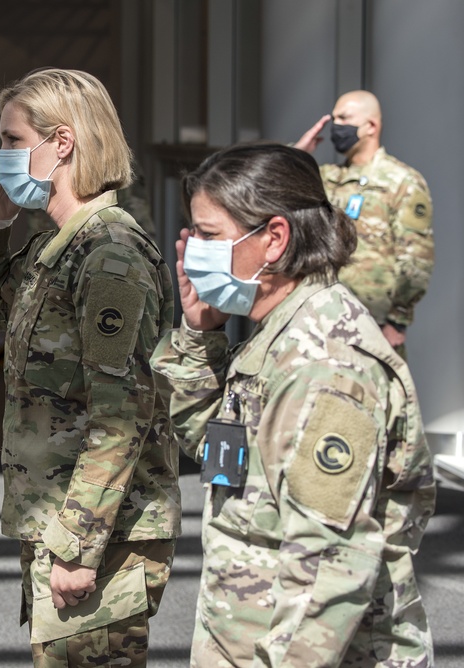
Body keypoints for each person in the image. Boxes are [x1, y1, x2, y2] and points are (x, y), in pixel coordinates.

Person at [152, 142, 436, 666]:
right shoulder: (277, 338)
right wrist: (199, 334)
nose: (193, 253)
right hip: (246, 633)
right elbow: (220, 456)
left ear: (274, 239)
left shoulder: (324, 363)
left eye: (209, 236)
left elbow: (330, 563)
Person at [0, 68, 181, 667]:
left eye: (12, 141)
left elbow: (121, 417)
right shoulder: (58, 246)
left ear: (63, 143)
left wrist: (77, 545)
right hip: (60, 519)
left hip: (100, 533)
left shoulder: (108, 256)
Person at [295, 90, 434, 357]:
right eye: (334, 118)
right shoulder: (326, 177)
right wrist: (297, 155)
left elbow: (417, 259)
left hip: (372, 325)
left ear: (371, 126)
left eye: (344, 118)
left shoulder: (401, 181)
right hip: (319, 319)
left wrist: (397, 320)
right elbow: (272, 189)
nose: (336, 126)